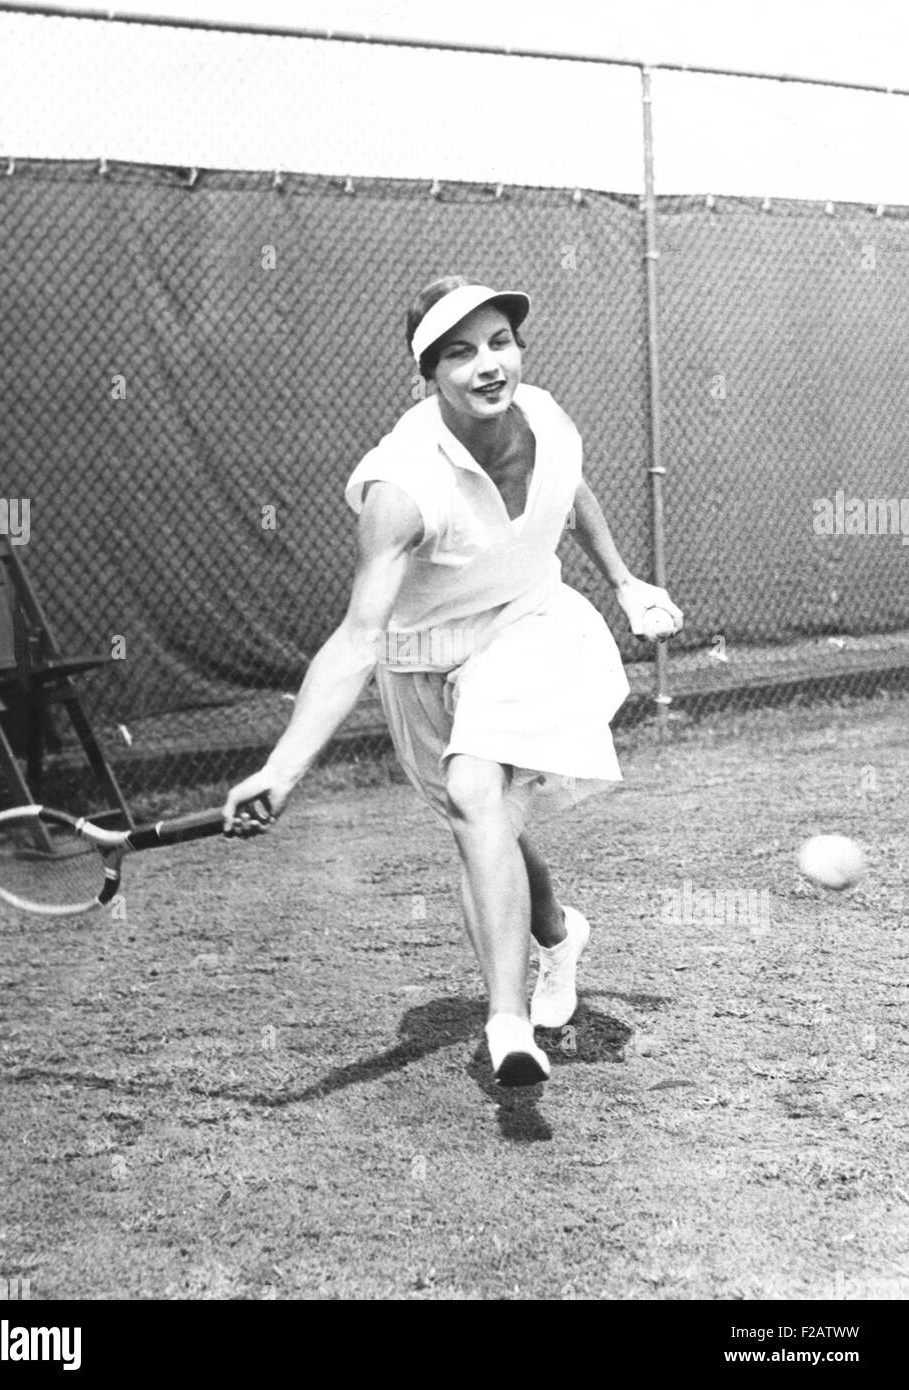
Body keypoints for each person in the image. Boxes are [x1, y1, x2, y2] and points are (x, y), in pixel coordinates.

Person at [223, 276, 682, 1087]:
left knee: (477, 790)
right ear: (425, 375)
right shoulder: (401, 488)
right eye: (459, 353)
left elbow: (567, 488)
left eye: (499, 341)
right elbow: (358, 636)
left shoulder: (542, 415)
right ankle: (555, 937)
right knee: (484, 825)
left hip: (526, 621)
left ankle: (506, 1026)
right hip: (419, 659)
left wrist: (621, 581)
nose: (487, 365)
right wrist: (282, 768)